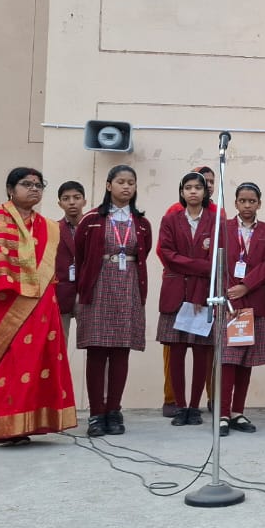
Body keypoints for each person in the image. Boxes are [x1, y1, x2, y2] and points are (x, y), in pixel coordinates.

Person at [0, 167, 78, 446]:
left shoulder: (49, 227)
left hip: (42, 306)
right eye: (26, 184)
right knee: (5, 364)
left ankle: (23, 426)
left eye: (39, 185)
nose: (34, 189)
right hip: (3, 308)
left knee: (36, 364)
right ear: (11, 189)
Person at [74, 165, 153, 438]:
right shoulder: (91, 219)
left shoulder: (141, 222)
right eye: (121, 182)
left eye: (131, 182)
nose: (126, 187)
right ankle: (96, 413)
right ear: (109, 186)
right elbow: (80, 255)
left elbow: (144, 252)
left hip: (128, 287)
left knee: (121, 351)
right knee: (96, 351)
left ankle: (114, 411)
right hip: (98, 287)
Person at [156, 171, 215, 428]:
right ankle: (180, 406)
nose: (193, 191)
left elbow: (216, 261)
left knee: (201, 353)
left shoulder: (216, 221)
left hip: (202, 295)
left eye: (197, 187)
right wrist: (199, 265)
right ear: (181, 192)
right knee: (176, 352)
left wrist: (199, 280)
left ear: (205, 192)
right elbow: (167, 254)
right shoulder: (170, 219)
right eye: (188, 187)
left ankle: (194, 406)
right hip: (175, 293)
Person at [220, 182, 265, 434]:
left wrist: (246, 286)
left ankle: (237, 412)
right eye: (242, 201)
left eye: (252, 201)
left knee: (246, 361)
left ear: (259, 204)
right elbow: (216, 265)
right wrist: (231, 296)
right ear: (235, 203)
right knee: (228, 360)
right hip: (230, 305)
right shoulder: (222, 229)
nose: (247, 205)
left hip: (255, 301)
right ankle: (222, 413)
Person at [54, 181, 86, 343]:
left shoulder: (94, 227)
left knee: (92, 344)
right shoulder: (53, 229)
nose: (72, 202)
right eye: (66, 198)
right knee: (59, 343)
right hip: (61, 292)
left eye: (76, 197)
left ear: (84, 201)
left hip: (87, 293)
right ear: (60, 204)